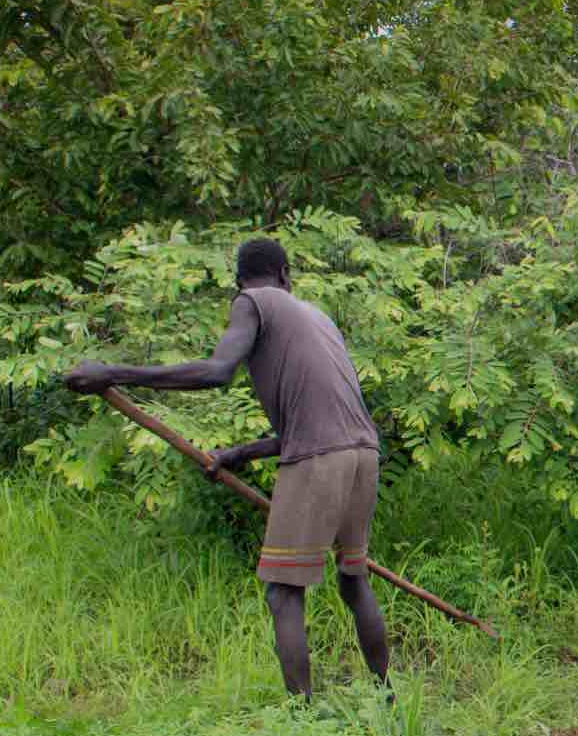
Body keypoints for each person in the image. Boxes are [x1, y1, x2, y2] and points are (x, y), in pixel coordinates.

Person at [64, 237, 388, 699]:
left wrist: (111, 373)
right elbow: (322, 421)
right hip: (363, 454)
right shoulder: (319, 319)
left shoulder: (252, 301)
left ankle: (304, 721)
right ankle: (387, 696)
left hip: (319, 459)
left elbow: (218, 371)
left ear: (241, 282)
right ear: (285, 274)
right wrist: (240, 453)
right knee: (354, 581)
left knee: (283, 593)